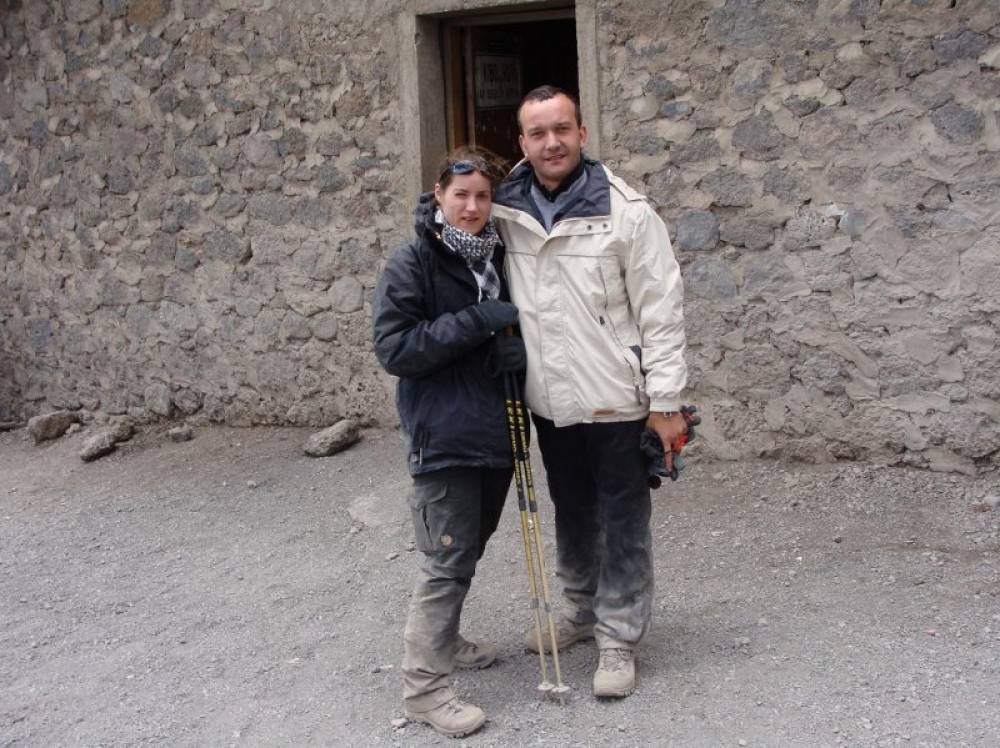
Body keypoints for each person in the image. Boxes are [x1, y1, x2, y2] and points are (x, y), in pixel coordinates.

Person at [491, 85, 688, 699]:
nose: (552, 143)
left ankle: (619, 634)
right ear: (522, 142)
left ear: (581, 132)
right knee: (572, 507)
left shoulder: (626, 211)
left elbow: (661, 312)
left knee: (623, 517)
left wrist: (666, 404)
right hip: (549, 399)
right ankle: (581, 608)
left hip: (616, 396)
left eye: (562, 129)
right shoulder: (503, 209)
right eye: (538, 133)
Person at [372, 146, 525, 738]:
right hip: (443, 434)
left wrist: (514, 352)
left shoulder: (498, 256)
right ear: (439, 195)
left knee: (468, 548)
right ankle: (425, 691)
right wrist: (476, 323)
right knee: (448, 559)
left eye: (482, 196)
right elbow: (396, 349)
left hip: (495, 428)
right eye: (460, 194)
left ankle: (447, 641)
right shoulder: (413, 261)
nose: (472, 206)